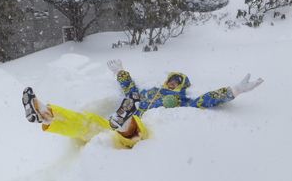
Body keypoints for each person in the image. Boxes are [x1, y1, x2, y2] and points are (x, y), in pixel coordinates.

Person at [22, 59, 264, 148]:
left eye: (177, 82)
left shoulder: (182, 101)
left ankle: (125, 122)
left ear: (181, 86)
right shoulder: (148, 91)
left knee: (134, 124)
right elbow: (130, 90)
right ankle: (48, 115)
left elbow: (206, 100)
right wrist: (120, 71)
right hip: (118, 126)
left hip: (142, 132)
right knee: (91, 124)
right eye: (171, 80)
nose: (172, 83)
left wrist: (232, 91)